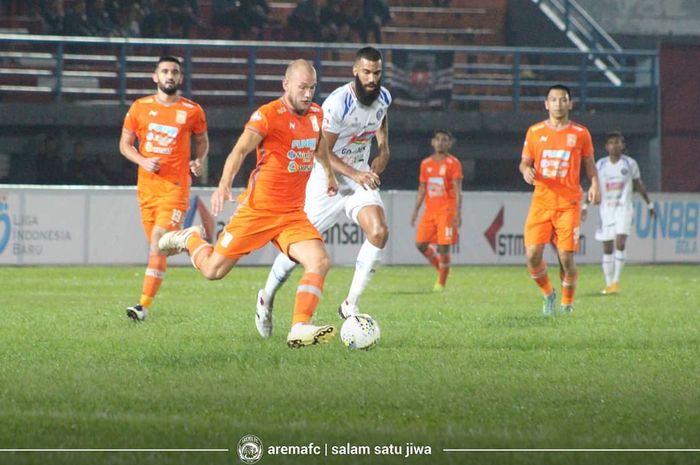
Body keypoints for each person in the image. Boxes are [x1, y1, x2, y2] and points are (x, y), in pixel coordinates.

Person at [158, 59, 340, 349]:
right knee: (213, 271)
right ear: (286, 85)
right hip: (258, 211)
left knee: (319, 261)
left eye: (312, 88)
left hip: (292, 214)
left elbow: (319, 146)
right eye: (303, 87)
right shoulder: (268, 115)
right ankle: (191, 238)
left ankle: (299, 326)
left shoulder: (316, 114)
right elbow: (240, 150)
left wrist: (330, 174)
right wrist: (223, 185)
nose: (308, 94)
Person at [254, 47, 390, 338]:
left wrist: (383, 152)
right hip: (326, 180)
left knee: (378, 232)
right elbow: (322, 151)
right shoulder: (339, 103)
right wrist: (354, 173)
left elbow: (380, 126)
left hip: (358, 178)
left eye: (377, 73)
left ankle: (350, 305)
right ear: (355, 71)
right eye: (366, 72)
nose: (372, 79)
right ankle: (266, 296)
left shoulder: (384, 97)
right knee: (296, 252)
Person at [119, 55, 209, 322]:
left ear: (180, 78)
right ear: (155, 76)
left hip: (175, 186)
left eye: (175, 72)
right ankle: (190, 239)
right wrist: (142, 160)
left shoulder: (192, 110)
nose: (170, 76)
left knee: (159, 240)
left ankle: (142, 307)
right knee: (160, 247)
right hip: (146, 189)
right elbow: (125, 144)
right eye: (165, 71)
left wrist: (198, 160)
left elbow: (203, 141)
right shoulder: (139, 107)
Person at [519, 84, 600, 316]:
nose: (558, 104)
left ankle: (567, 304)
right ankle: (548, 294)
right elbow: (525, 161)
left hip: (568, 203)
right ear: (546, 104)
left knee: (566, 256)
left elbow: (589, 164)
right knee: (532, 256)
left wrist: (594, 184)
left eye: (563, 99)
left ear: (570, 104)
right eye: (553, 100)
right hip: (541, 202)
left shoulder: (580, 133)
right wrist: (526, 170)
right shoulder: (534, 132)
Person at [583, 131, 655, 295]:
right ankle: (609, 285)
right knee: (607, 248)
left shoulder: (630, 164)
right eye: (612, 143)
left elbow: (638, 185)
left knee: (620, 242)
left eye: (618, 142)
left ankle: (616, 281)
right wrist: (585, 207)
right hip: (606, 211)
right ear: (607, 147)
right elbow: (594, 188)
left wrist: (649, 205)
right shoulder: (600, 165)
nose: (615, 145)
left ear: (623, 146)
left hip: (624, 209)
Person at [410, 129, 463, 292]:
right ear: (433, 142)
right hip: (430, 211)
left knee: (443, 247)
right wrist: (415, 211)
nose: (440, 142)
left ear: (450, 143)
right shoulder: (426, 164)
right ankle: (442, 268)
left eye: (444, 140)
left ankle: (441, 283)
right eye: (438, 139)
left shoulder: (453, 163)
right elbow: (422, 189)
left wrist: (457, 213)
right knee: (420, 244)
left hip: (446, 211)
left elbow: (457, 189)